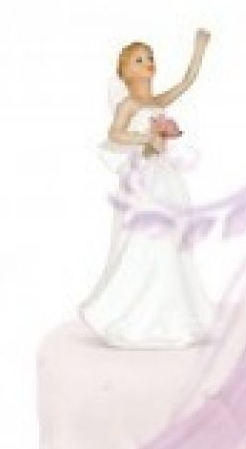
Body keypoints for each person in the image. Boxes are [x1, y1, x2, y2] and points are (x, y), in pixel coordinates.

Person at [78, 30, 216, 348]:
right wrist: (146, 138)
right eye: (139, 60)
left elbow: (187, 81)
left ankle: (169, 313)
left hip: (164, 177)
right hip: (143, 178)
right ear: (126, 72)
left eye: (150, 57)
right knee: (143, 241)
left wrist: (198, 49)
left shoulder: (156, 101)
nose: (148, 62)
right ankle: (129, 312)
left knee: (168, 242)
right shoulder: (129, 104)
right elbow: (114, 133)